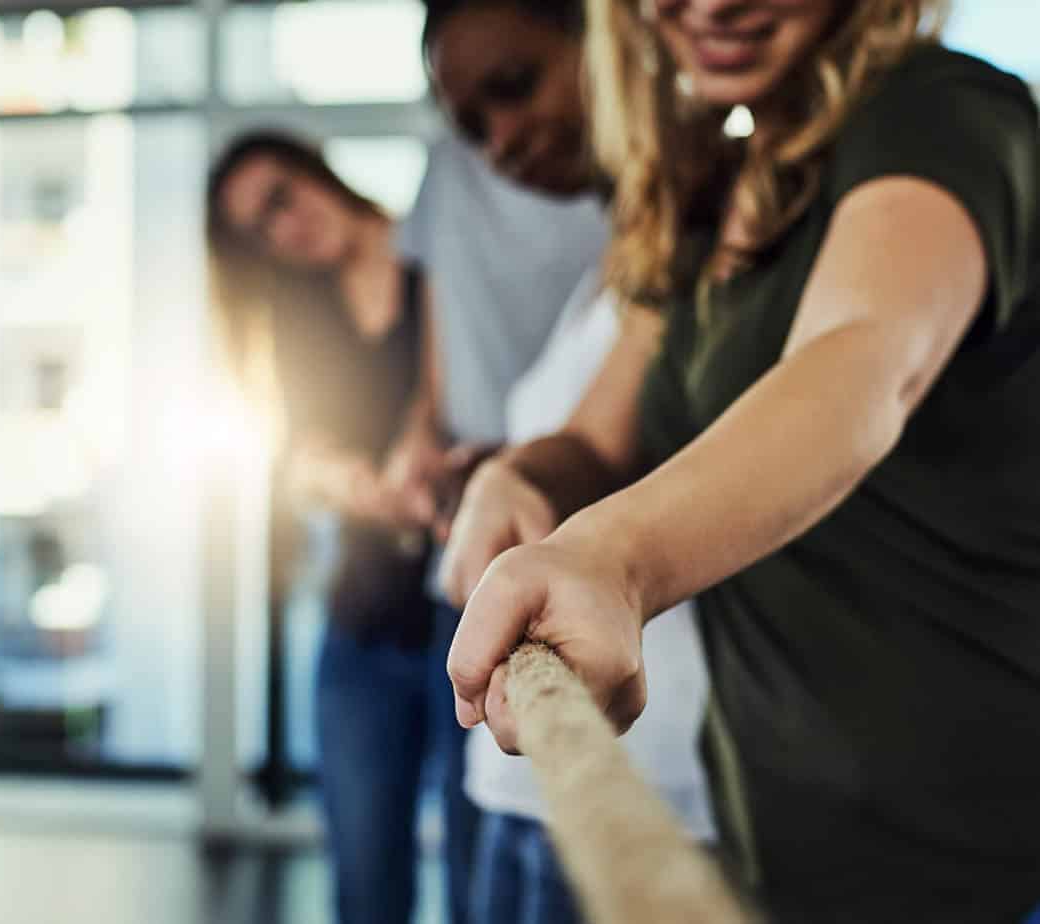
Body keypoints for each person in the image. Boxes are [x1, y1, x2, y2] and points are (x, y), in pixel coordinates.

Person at [443, 1, 1040, 921]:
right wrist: (516, 478)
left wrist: (617, 560)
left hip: (968, 850)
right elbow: (600, 438)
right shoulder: (711, 181)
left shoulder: (941, 110)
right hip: (773, 831)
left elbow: (861, 359)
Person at [401, 3, 717, 923]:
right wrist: (492, 476)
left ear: (609, 35)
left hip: (648, 786)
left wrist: (519, 479)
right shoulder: (630, 259)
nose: (499, 142)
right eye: (472, 126)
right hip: (528, 785)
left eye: (515, 86)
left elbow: (599, 449)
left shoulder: (720, 229)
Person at [205, 130, 458, 924]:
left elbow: (451, 401)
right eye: (258, 232)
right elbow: (296, 455)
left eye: (279, 198)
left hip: (470, 611)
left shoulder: (436, 250)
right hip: (364, 624)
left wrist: (424, 440)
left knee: (484, 880)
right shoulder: (298, 310)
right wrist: (346, 482)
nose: (283, 232)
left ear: (312, 170)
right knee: (364, 885)